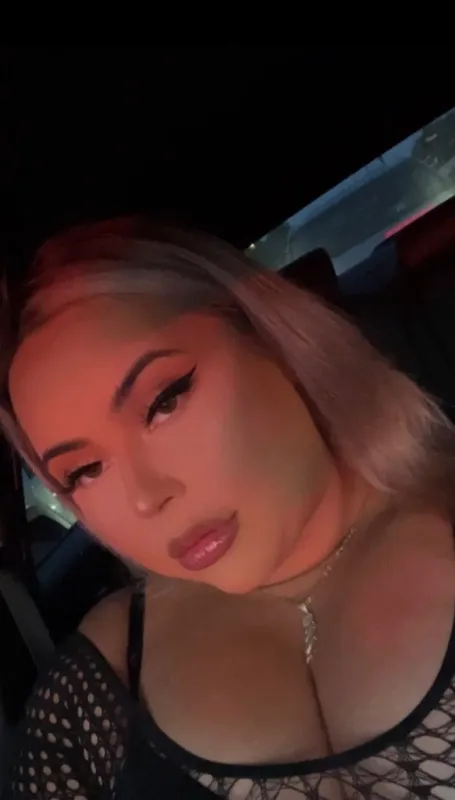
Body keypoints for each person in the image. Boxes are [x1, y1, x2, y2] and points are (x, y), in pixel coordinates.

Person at [1, 216, 455, 800]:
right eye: (84, 471)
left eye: (164, 401)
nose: (146, 497)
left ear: (269, 335)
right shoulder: (94, 686)